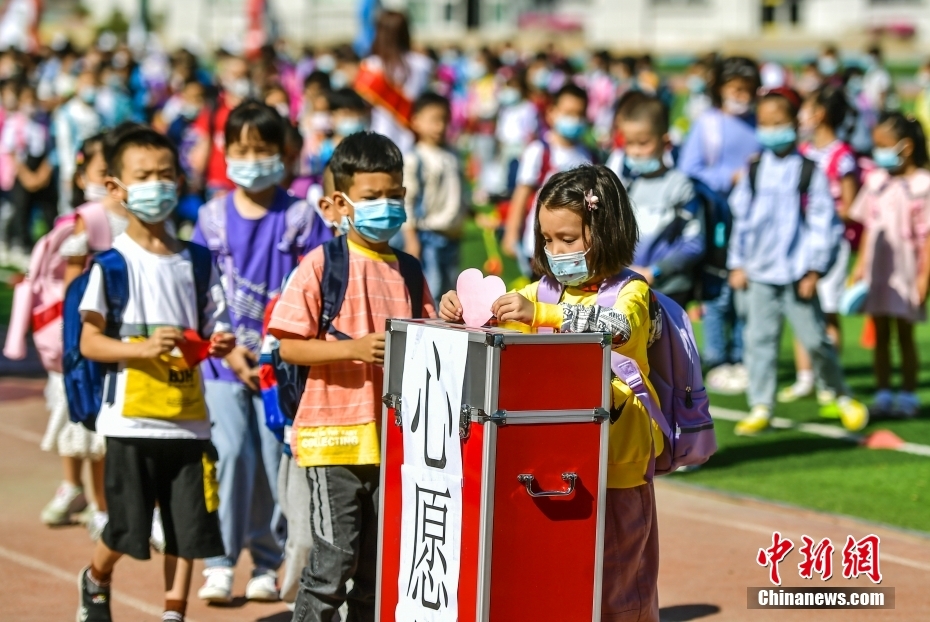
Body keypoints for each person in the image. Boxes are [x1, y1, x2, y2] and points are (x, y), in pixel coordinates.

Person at [440, 164, 663, 621]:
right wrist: (462, 307)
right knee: (565, 571)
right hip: (561, 460)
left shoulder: (630, 291)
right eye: (547, 239)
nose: (555, 250)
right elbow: (502, 312)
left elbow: (616, 329)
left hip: (619, 458)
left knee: (622, 581)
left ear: (606, 230)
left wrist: (541, 313)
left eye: (568, 239)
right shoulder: (545, 289)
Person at [268, 131, 435, 622]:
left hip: (395, 443)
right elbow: (289, 345)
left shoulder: (409, 269)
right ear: (340, 203)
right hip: (333, 439)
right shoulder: (322, 264)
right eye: (371, 197)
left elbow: (429, 339)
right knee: (331, 565)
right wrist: (354, 348)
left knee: (376, 571)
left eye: (393, 195)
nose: (385, 206)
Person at [75, 127, 236, 622]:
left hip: (188, 419)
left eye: (166, 175)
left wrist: (222, 346)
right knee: (126, 526)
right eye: (143, 176)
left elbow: (216, 328)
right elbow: (89, 341)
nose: (157, 185)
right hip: (130, 420)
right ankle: (96, 579)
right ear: (116, 188)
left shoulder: (197, 261)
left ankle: (173, 613)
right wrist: (142, 348)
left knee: (189, 525)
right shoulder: (112, 265)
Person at [191, 101, 332, 604]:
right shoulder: (209, 218)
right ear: (226, 153)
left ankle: (269, 559)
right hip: (223, 363)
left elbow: (317, 284)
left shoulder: (299, 217)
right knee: (231, 454)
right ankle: (220, 560)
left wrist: (277, 352)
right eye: (242, 149)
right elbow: (203, 292)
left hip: (281, 368)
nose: (252, 159)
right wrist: (228, 352)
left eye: (263, 149)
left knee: (276, 461)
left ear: (284, 154)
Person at [726, 89, 868, 436]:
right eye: (765, 123)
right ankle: (761, 404)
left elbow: (824, 222)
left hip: (796, 273)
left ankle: (840, 394)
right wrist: (737, 263)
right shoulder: (755, 169)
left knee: (816, 338)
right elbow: (741, 219)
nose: (772, 130)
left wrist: (815, 268)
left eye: (779, 123)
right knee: (759, 341)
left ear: (794, 124)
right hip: (760, 272)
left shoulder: (808, 170)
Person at [40, 132, 131, 540]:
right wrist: (78, 339)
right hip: (93, 339)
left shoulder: (144, 218)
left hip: (131, 336)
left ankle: (130, 505)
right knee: (89, 429)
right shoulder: (91, 218)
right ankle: (98, 505)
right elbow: (74, 284)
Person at [678, 56, 761, 393]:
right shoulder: (707, 124)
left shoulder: (759, 123)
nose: (741, 96)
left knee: (747, 290)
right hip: (717, 220)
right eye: (735, 89)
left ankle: (742, 355)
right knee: (718, 290)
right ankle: (717, 357)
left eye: (747, 90)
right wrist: (731, 177)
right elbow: (689, 170)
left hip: (753, 222)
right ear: (721, 89)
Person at [780, 86, 859, 405]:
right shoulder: (802, 153)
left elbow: (851, 206)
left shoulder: (842, 156)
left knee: (826, 312)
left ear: (820, 114)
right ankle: (805, 377)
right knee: (802, 308)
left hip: (831, 243)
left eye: (806, 109)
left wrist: (821, 209)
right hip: (801, 241)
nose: (801, 117)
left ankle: (830, 379)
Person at [850, 112, 930, 419]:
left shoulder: (922, 185)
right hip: (878, 269)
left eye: (883, 145)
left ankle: (908, 395)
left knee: (905, 334)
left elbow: (927, 237)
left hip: (907, 270)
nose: (877, 152)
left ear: (905, 147)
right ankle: (883, 393)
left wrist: (924, 278)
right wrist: (859, 267)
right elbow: (870, 226)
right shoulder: (876, 182)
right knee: (879, 332)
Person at [620, 96, 704, 306]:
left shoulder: (680, 186)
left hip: (669, 290)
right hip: (628, 287)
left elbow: (694, 242)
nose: (635, 151)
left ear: (665, 142)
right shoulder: (625, 185)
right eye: (629, 143)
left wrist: (654, 272)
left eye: (643, 143)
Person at [502, 83, 593, 275]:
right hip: (539, 244)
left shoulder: (589, 155)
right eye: (568, 113)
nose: (574, 120)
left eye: (579, 114)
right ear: (552, 112)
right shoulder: (539, 150)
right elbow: (521, 193)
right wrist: (511, 234)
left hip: (577, 249)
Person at [400, 92, 466, 297]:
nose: (440, 126)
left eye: (444, 120)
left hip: (452, 235)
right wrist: (411, 239)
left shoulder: (453, 154)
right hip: (429, 235)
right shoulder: (415, 158)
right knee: (433, 289)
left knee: (452, 290)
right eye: (434, 120)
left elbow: (458, 192)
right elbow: (407, 202)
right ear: (416, 121)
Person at [356, 10, 433, 154]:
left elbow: (363, 106)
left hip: (378, 138)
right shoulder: (424, 64)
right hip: (413, 138)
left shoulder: (370, 66)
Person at [54, 67, 102, 214]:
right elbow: (64, 146)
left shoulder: (97, 114)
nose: (90, 87)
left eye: (93, 83)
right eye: (86, 83)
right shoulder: (65, 113)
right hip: (73, 170)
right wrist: (69, 174)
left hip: (92, 170)